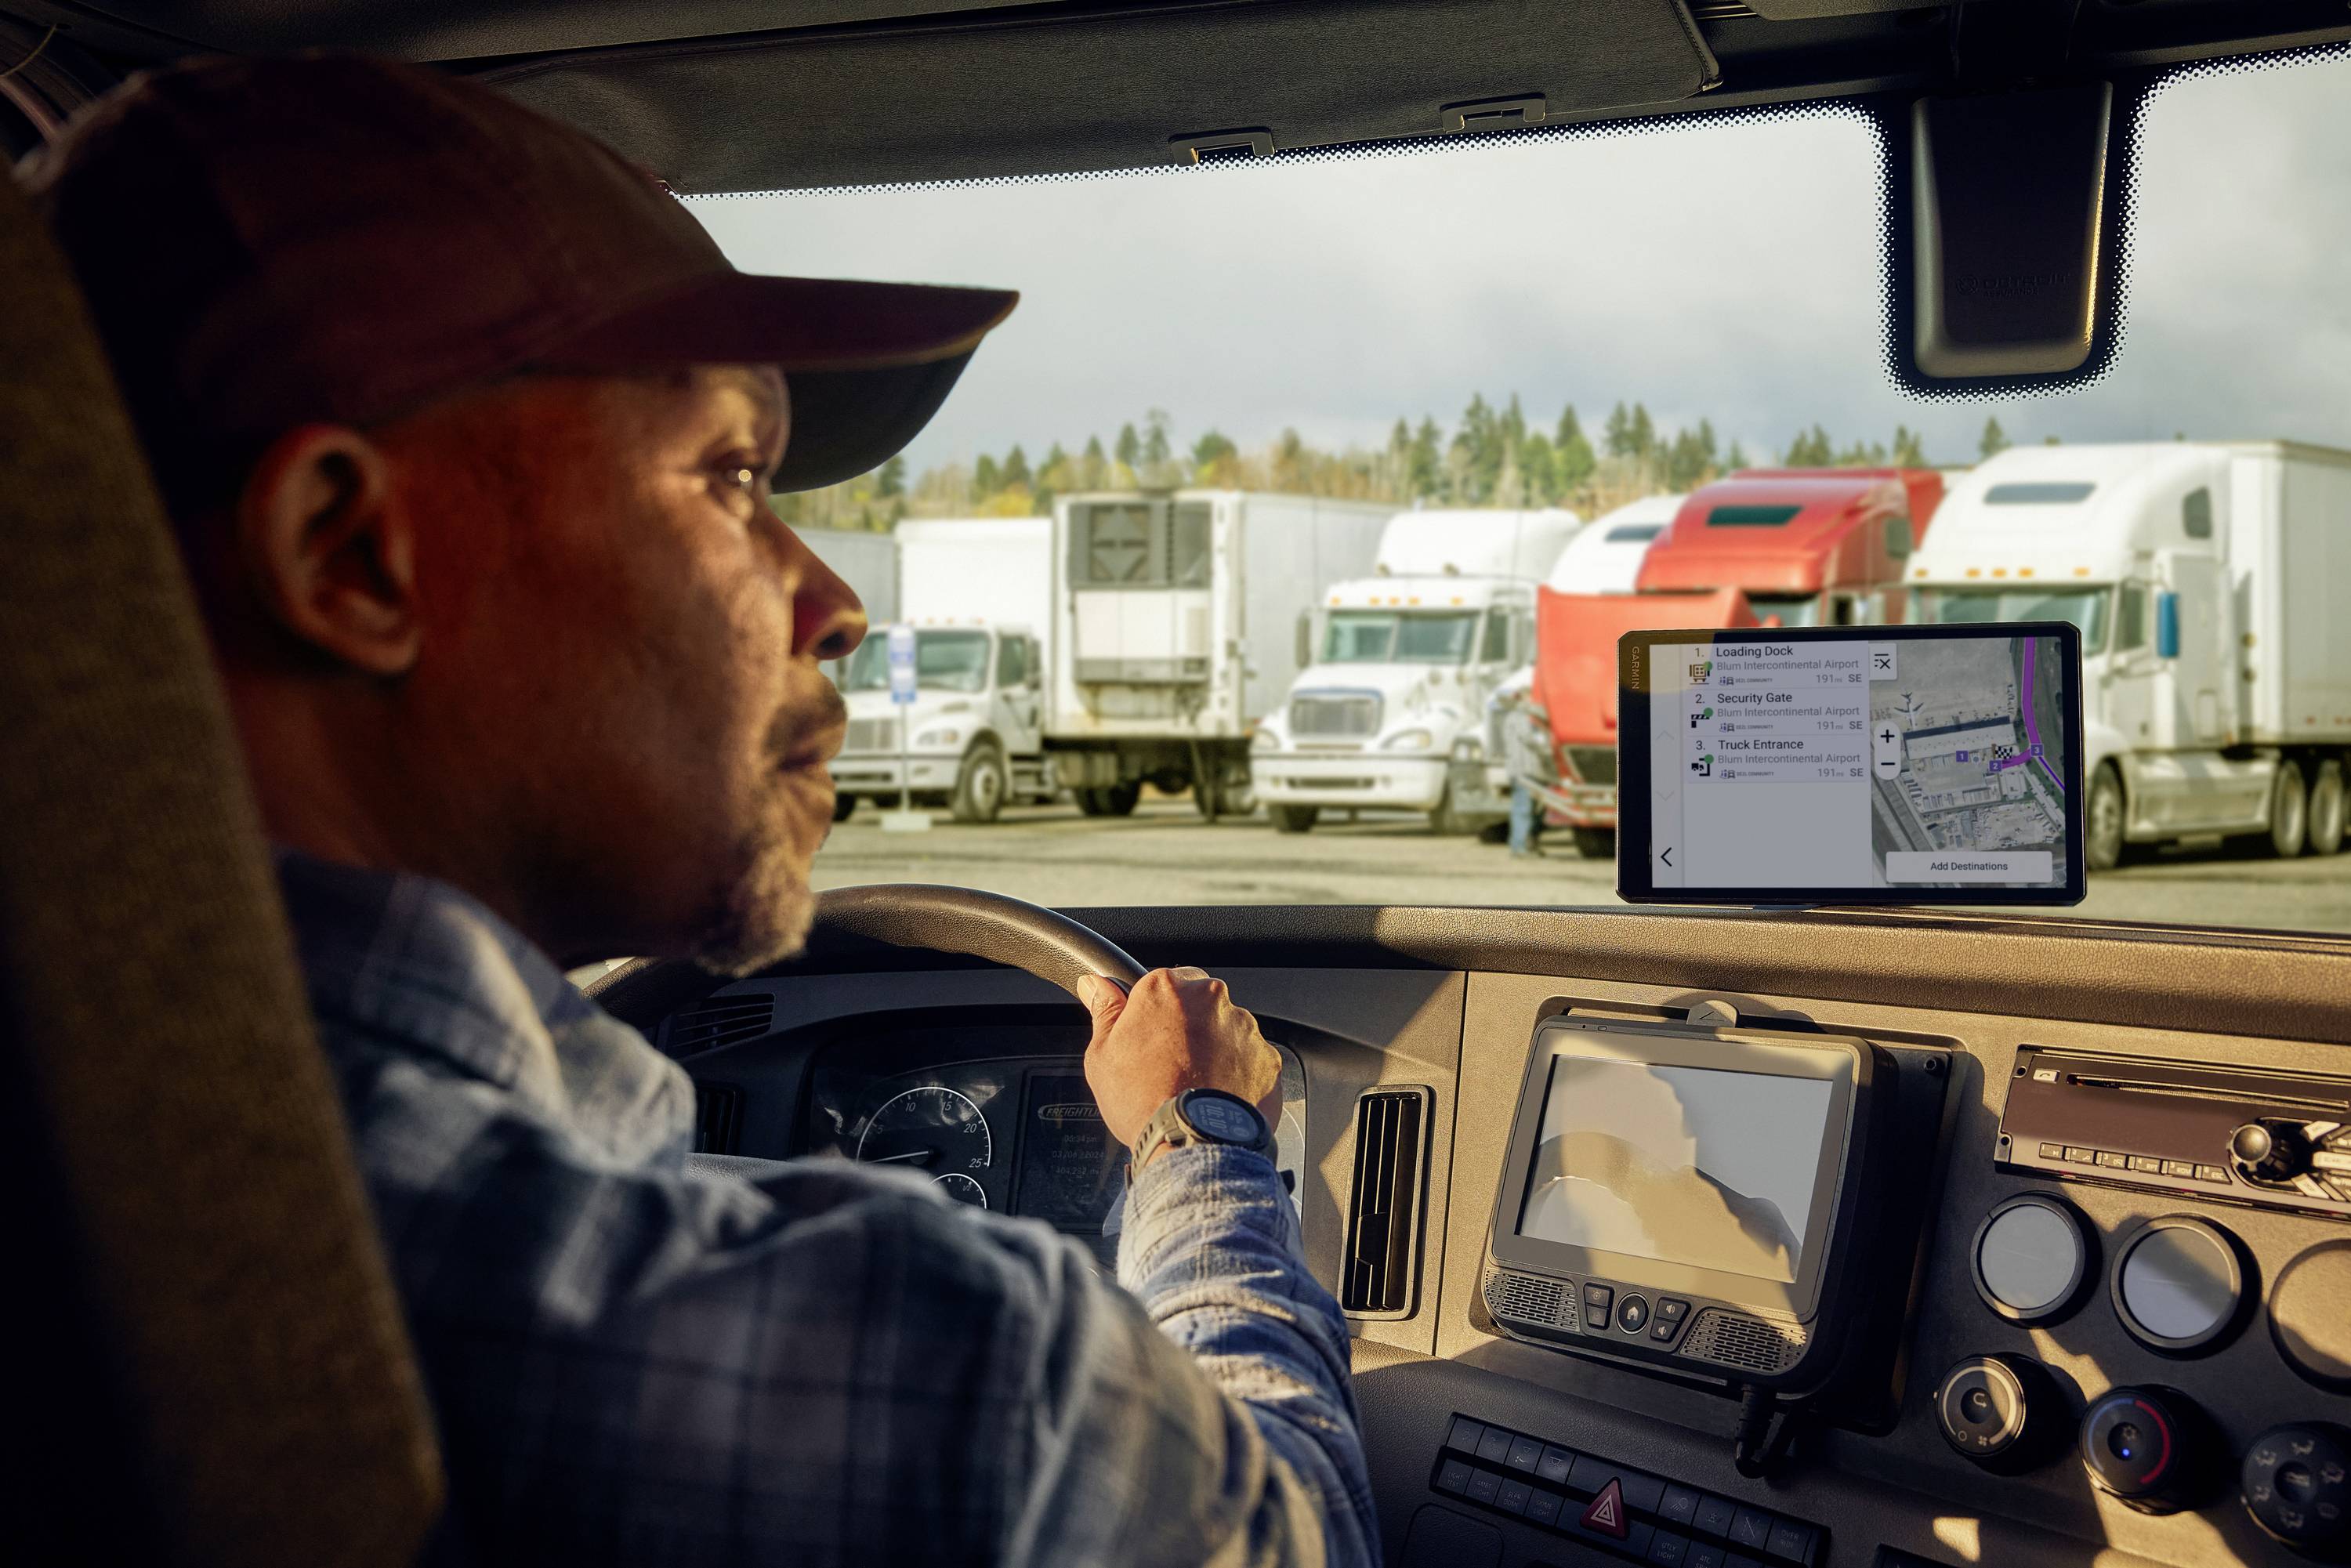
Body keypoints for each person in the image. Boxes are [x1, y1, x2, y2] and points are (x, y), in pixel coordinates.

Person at [25, 56, 1375, 1566]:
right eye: (732, 474)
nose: (837, 600)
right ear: (348, 559)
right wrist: (1199, 1147)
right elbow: (1295, 1524)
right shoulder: (942, 1384)